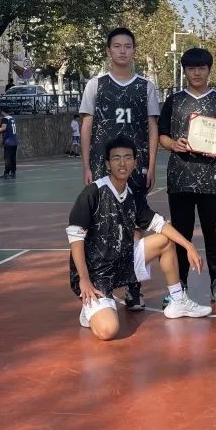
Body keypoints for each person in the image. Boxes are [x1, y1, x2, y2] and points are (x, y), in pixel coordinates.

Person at [68, 135, 212, 341]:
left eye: (128, 158)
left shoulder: (133, 195)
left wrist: (189, 246)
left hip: (123, 261)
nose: (122, 163)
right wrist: (84, 279)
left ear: (135, 163)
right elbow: (75, 238)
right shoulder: (93, 193)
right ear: (108, 164)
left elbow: (160, 224)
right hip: (95, 275)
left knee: (165, 239)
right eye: (116, 158)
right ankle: (90, 309)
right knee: (108, 330)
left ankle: (178, 300)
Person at [79, 27, 160, 311]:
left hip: (135, 167)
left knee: (135, 226)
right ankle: (104, 284)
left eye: (128, 46)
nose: (123, 51)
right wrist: (86, 165)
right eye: (117, 46)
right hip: (103, 168)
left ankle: (133, 287)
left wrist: (151, 165)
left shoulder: (146, 86)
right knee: (102, 225)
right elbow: (86, 126)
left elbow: (152, 127)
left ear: (134, 51)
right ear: (108, 51)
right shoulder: (96, 85)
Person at [158, 47, 216, 306]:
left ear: (209, 70)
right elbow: (162, 136)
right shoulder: (173, 101)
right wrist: (174, 144)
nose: (197, 73)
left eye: (201, 68)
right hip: (180, 178)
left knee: (214, 234)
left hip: (212, 179)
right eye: (191, 68)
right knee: (181, 234)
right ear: (185, 71)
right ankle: (179, 286)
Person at [0, 105, 19, 179]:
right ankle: (13, 173)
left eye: (0, 111)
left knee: (7, 158)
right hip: (14, 141)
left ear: (2, 111)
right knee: (13, 158)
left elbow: (3, 128)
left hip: (9, 142)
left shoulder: (5, 119)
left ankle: (6, 173)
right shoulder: (12, 118)